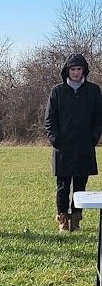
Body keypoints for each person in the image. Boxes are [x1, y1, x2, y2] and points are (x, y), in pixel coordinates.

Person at [44, 53, 102, 232]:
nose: (76, 73)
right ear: (67, 71)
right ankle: (63, 219)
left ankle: (76, 219)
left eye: (79, 69)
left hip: (84, 147)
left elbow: (98, 118)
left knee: (80, 186)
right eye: (73, 69)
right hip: (63, 148)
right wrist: (56, 140)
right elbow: (49, 120)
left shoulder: (93, 90)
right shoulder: (57, 91)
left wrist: (93, 138)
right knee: (62, 186)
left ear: (84, 70)